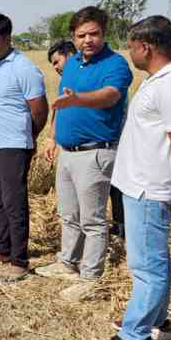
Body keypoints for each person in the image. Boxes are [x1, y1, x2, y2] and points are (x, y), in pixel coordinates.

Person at [93, 16, 171, 340]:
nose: (130, 53)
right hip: (140, 185)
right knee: (154, 260)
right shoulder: (163, 79)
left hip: (149, 189)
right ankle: (154, 321)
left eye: (131, 46)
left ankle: (134, 338)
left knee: (147, 266)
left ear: (146, 47)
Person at [36, 7, 133, 302]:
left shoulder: (116, 64)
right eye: (81, 35)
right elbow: (62, 103)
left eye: (94, 34)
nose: (88, 40)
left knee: (92, 220)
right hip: (67, 152)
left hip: (95, 153)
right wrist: (53, 137)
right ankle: (67, 263)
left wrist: (79, 99)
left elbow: (111, 96)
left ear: (104, 33)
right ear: (73, 37)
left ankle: (91, 277)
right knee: (69, 214)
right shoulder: (74, 63)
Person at [0, 14, 48, 281]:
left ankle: (19, 259)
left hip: (13, 145)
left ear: (8, 39)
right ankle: (2, 248)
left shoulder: (24, 68)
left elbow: (39, 111)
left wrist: (27, 139)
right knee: (0, 200)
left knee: (15, 202)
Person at [46, 40, 126, 240]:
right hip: (73, 151)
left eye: (57, 62)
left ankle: (121, 229)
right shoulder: (69, 77)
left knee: (113, 191)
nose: (55, 68)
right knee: (77, 208)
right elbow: (58, 109)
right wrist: (52, 138)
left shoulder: (102, 73)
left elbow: (112, 100)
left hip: (101, 146)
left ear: (70, 55)